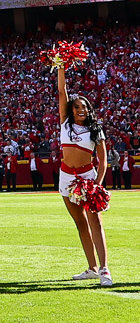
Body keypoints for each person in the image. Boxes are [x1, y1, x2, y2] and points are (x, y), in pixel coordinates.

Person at [56, 63, 112, 286]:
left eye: (85, 107)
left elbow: (103, 159)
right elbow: (62, 92)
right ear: (71, 109)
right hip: (66, 178)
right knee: (80, 223)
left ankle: (105, 269)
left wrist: (97, 184)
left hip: (87, 178)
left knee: (95, 222)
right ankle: (92, 268)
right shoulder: (65, 123)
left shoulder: (96, 129)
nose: (81, 110)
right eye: (77, 106)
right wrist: (61, 66)